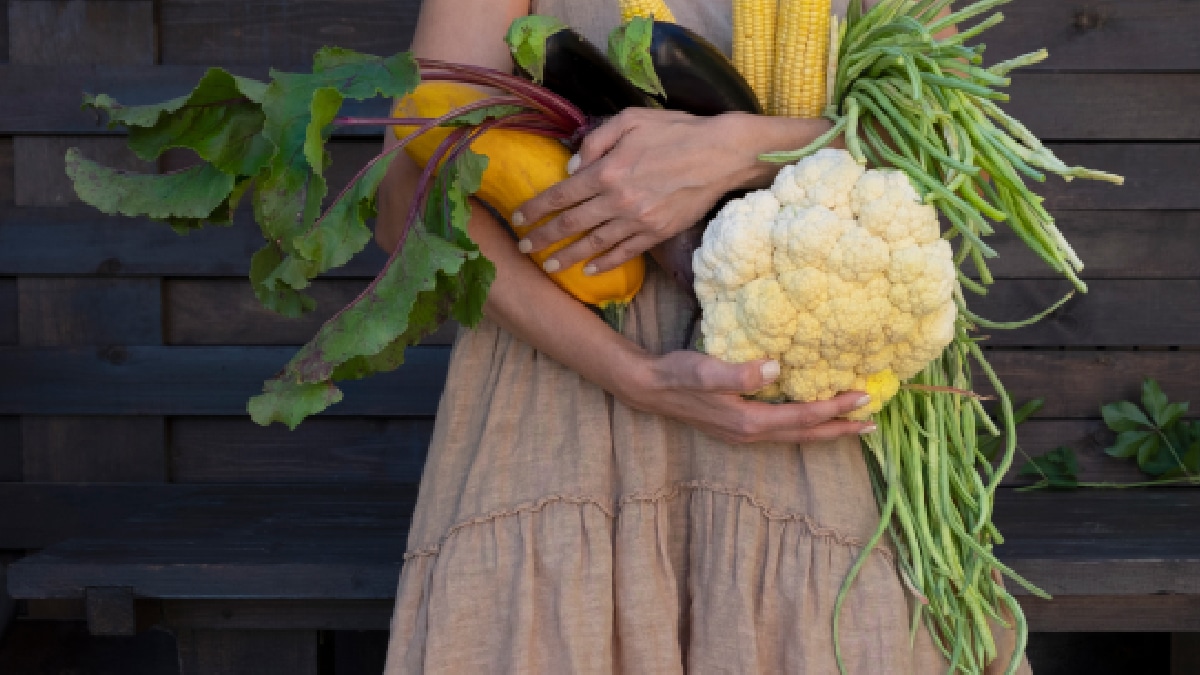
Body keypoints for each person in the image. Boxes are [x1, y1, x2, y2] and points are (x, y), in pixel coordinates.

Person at [375, 1, 1029, 672]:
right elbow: (405, 200)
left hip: (817, 434)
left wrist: (742, 150)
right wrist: (636, 375)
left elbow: (962, 154)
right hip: (569, 416)